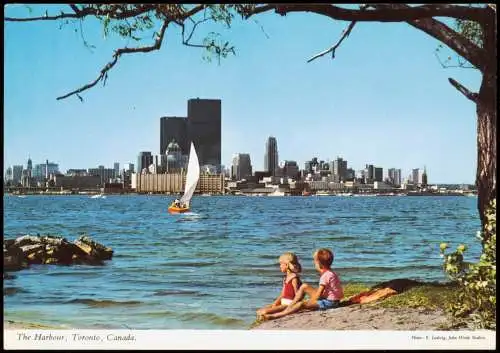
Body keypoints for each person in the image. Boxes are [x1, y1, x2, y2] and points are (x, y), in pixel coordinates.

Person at [260, 248, 343, 320]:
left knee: (301, 304)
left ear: (319, 264)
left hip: (330, 303)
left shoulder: (325, 275)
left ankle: (277, 315)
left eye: (315, 262)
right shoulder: (330, 273)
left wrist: (309, 303)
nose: (314, 264)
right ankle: (291, 306)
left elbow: (318, 295)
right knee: (304, 286)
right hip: (331, 300)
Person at [256, 252, 302, 320]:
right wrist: (275, 303)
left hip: (288, 305)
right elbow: (282, 294)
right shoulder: (285, 278)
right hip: (283, 303)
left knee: (264, 312)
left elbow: (298, 295)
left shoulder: (294, 278)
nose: (279, 266)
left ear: (286, 265)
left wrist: (292, 307)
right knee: (259, 311)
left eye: (280, 264)